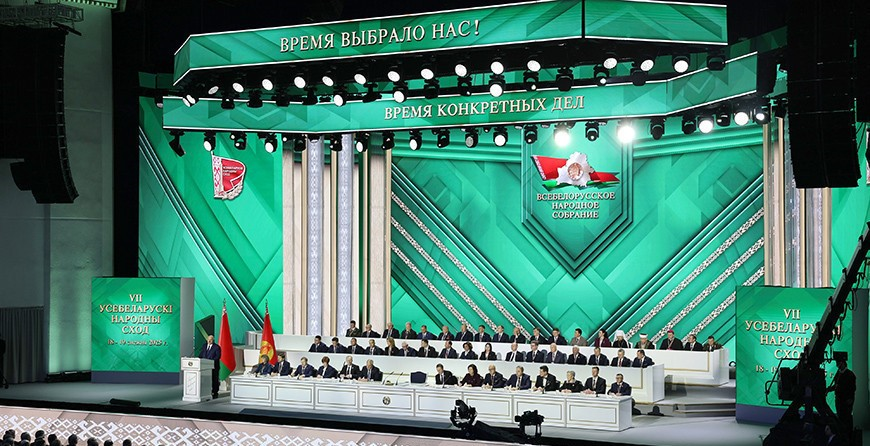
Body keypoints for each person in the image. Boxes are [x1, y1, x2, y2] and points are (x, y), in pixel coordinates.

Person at [827, 356, 856, 433]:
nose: (837, 365)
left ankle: (848, 434)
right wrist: (829, 389)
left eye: (838, 363)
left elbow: (852, 388)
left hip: (846, 401)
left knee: (847, 418)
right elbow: (836, 386)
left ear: (842, 363)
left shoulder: (850, 374)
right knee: (840, 418)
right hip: (839, 400)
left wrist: (850, 399)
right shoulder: (839, 374)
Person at [198, 334, 221, 398]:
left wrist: (210, 361)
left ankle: (215, 392)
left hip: (214, 366)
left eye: (211, 339)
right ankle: (206, 392)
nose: (209, 341)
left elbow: (218, 356)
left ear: (213, 340)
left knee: (214, 380)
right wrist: (198, 359)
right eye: (208, 339)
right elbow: (201, 354)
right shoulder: (204, 346)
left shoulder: (217, 347)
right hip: (205, 367)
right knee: (206, 379)